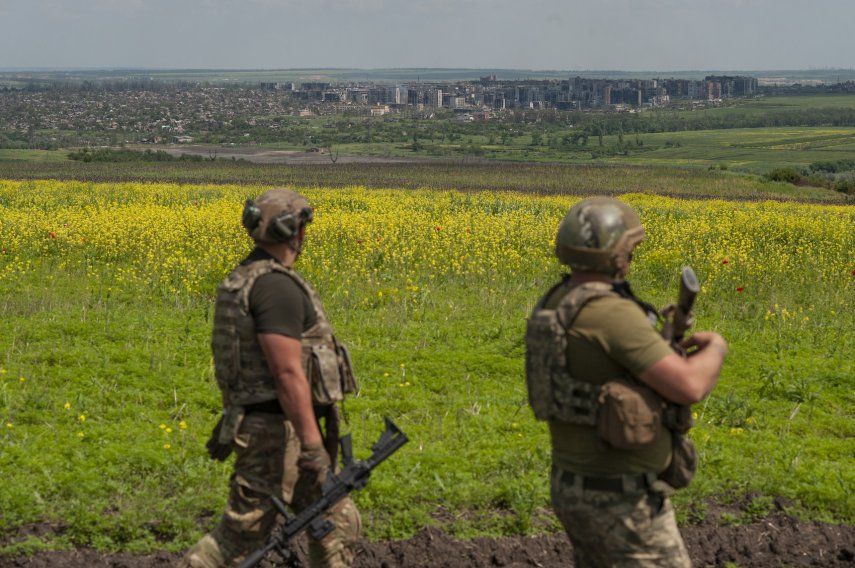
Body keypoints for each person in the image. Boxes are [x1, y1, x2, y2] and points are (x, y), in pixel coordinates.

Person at [525, 197, 727, 567]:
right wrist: (716, 348)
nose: (632, 259)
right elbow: (688, 386)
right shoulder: (611, 313)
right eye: (630, 250)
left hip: (573, 484)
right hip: (621, 500)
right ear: (617, 255)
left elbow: (603, 368)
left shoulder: (558, 301)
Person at [180, 189, 360, 568]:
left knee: (336, 522)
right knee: (236, 542)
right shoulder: (275, 287)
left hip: (274, 426)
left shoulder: (245, 278)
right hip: (279, 437)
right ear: (295, 232)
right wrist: (313, 447)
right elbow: (287, 371)